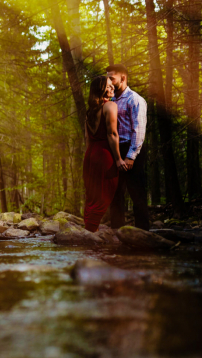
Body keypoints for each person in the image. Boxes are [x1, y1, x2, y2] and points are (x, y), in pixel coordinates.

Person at [106, 64, 149, 230]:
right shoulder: (111, 99)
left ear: (123, 78)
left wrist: (131, 156)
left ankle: (143, 233)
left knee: (136, 192)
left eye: (112, 78)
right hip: (115, 150)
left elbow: (139, 129)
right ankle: (117, 231)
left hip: (132, 150)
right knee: (115, 193)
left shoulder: (135, 100)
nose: (108, 81)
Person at [83, 76, 127, 232]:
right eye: (108, 86)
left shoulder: (89, 112)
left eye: (112, 86)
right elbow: (112, 134)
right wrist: (119, 159)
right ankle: (90, 235)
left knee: (92, 196)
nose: (112, 88)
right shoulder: (110, 106)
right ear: (100, 90)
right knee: (104, 194)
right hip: (104, 154)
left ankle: (88, 231)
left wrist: (89, 159)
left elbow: (87, 138)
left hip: (90, 155)